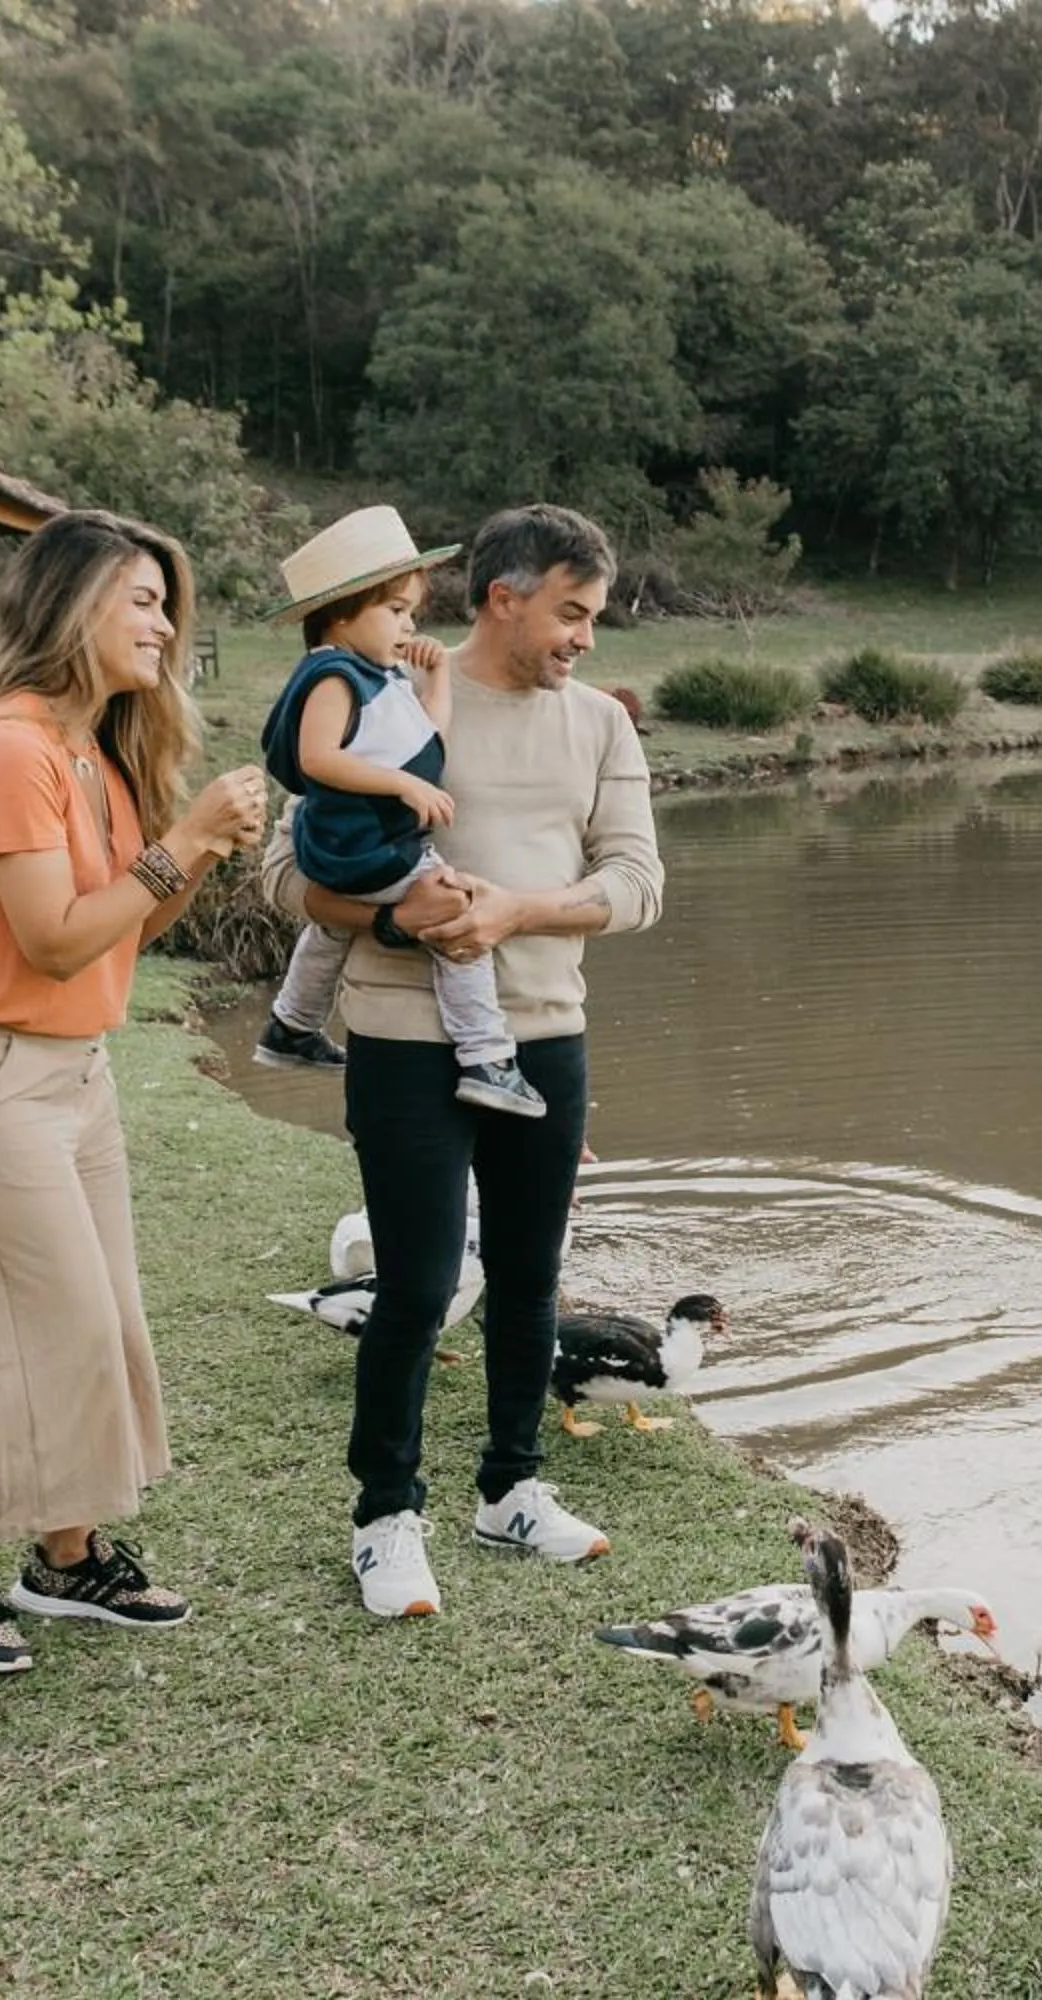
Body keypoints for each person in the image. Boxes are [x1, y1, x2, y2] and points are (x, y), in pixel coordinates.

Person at [0, 509, 268, 1675]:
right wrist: (183, 837)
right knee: (22, 1337)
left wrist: (198, 848)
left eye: (167, 605)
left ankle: (66, 1552)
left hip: (70, 1072)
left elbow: (125, 928)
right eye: (141, 601)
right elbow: (50, 940)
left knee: (101, 1323)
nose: (163, 625)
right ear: (70, 605)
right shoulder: (7, 747)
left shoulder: (92, 751)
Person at [256, 503, 662, 1619]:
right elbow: (285, 879)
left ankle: (511, 1489)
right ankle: (385, 1515)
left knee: (528, 1283)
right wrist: (397, 922)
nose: (584, 638)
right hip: (403, 1045)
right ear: (503, 598)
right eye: (571, 613)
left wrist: (518, 910)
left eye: (592, 617)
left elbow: (637, 883)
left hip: (548, 1036)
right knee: (421, 1287)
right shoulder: (379, 697)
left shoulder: (601, 725)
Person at [251, 506, 539, 1118]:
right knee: (453, 915)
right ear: (341, 613)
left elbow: (429, 738)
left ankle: (292, 1024)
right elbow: (317, 758)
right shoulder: (333, 677)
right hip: (365, 845)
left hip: (351, 847)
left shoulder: (377, 674)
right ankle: (487, 1057)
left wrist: (436, 677)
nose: (409, 626)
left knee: (331, 927)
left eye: (412, 612)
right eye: (396, 610)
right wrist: (402, 786)